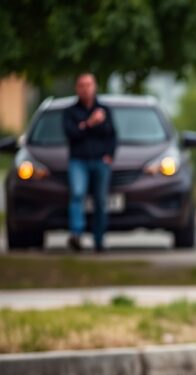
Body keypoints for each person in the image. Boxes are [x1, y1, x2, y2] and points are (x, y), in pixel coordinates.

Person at [62, 72, 117, 252]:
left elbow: (112, 135)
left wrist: (109, 155)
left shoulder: (105, 110)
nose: (86, 89)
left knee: (100, 201)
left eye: (89, 85)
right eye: (82, 85)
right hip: (78, 161)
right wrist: (89, 123)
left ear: (95, 87)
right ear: (77, 88)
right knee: (77, 194)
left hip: (101, 162)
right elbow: (72, 134)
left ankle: (99, 240)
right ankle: (76, 234)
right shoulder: (70, 112)